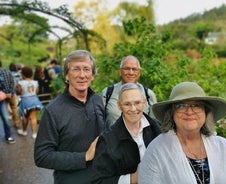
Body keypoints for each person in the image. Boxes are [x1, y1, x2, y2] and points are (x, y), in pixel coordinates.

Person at [138, 82, 226, 184]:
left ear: (206, 112)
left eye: (196, 105)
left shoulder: (224, 147)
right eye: (181, 106)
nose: (189, 112)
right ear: (172, 113)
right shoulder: (157, 150)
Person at [34, 50, 104, 184]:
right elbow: (41, 156)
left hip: (101, 177)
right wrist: (84, 157)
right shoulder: (53, 110)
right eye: (76, 69)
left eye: (86, 69)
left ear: (93, 75)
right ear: (66, 75)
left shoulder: (97, 100)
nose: (82, 75)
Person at [88, 83, 161, 184]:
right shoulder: (107, 140)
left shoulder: (159, 129)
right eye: (127, 104)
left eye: (137, 103)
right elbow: (98, 181)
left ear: (144, 103)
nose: (133, 109)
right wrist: (132, 178)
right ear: (119, 106)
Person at [101, 55, 157, 128]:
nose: (131, 72)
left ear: (139, 72)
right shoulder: (107, 93)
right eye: (127, 69)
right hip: (113, 138)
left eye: (134, 69)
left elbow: (155, 124)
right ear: (120, 71)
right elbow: (99, 124)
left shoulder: (148, 95)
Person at [16, 66, 43, 139]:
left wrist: (17, 89)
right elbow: (37, 92)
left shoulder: (20, 83)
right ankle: (34, 134)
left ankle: (24, 131)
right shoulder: (35, 82)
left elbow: (18, 92)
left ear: (23, 74)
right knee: (33, 117)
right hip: (34, 100)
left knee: (24, 117)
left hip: (25, 101)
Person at [0, 60, 16, 144]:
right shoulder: (7, 72)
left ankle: (9, 135)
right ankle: (10, 134)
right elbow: (13, 83)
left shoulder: (4, 72)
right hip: (6, 96)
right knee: (12, 110)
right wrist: (10, 92)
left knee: (5, 117)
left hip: (2, 99)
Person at [6, 63, 21, 128]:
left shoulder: (8, 74)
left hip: (8, 92)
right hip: (16, 92)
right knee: (15, 107)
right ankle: (17, 122)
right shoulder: (19, 74)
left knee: (7, 107)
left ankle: (7, 120)